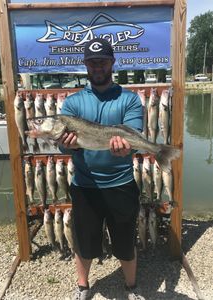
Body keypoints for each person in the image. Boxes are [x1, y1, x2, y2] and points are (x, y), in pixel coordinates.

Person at [59, 37, 144, 300]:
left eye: (103, 62)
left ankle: (131, 287)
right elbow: (64, 148)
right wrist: (68, 146)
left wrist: (128, 148)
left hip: (121, 184)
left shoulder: (129, 99)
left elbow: (135, 139)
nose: (98, 67)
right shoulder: (72, 105)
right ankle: (83, 286)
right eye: (92, 62)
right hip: (85, 186)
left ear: (112, 64)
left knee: (125, 240)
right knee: (84, 240)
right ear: (85, 65)